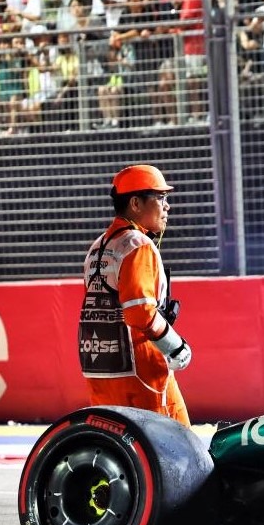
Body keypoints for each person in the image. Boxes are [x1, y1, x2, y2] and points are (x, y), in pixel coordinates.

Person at [79, 164, 192, 427]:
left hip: (99, 367)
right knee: (179, 449)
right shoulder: (138, 245)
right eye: (160, 198)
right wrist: (175, 346)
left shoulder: (97, 247)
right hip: (140, 370)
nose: (167, 206)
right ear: (136, 203)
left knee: (120, 448)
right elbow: (140, 312)